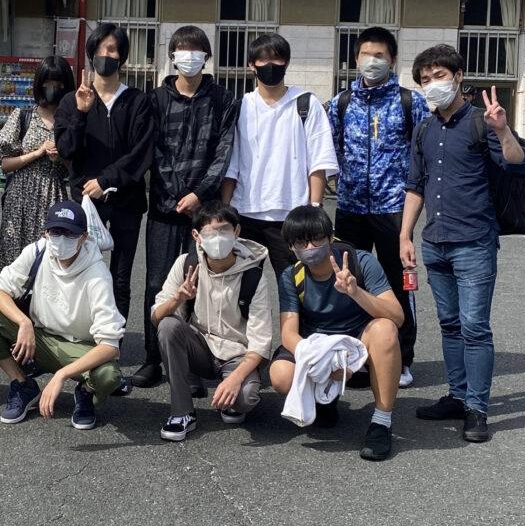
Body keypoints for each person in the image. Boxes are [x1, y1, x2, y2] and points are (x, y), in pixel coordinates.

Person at [401, 45, 525, 444]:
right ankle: (457, 396)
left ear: (458, 77)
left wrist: (502, 129)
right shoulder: (424, 129)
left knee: (475, 328)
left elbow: (517, 163)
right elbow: (415, 186)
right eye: (425, 80)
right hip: (435, 242)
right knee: (450, 325)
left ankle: (477, 407)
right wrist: (405, 234)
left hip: (474, 241)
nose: (432, 85)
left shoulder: (480, 122)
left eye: (439, 76)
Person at [133, 25, 238, 389]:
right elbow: (154, 149)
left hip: (205, 212)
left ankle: (192, 362)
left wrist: (198, 193)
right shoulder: (156, 99)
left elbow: (223, 151)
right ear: (172, 56)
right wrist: (179, 191)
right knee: (157, 282)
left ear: (206, 58)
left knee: (201, 283)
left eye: (196, 51)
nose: (188, 57)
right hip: (164, 208)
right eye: (182, 50)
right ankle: (153, 358)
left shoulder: (223, 99)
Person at [327, 27, 430, 389]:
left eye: (380, 56)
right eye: (366, 55)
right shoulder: (340, 103)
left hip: (393, 208)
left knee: (398, 284)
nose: (373, 62)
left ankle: (401, 358)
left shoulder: (410, 102)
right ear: (356, 59)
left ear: (392, 60)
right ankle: (356, 357)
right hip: (350, 208)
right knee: (348, 283)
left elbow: (422, 154)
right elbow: (329, 150)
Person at [0, 200, 126, 430]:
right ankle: (22, 384)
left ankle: (85, 393)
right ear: (45, 232)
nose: (61, 239)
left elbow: (110, 346)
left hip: (80, 347)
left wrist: (61, 375)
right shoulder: (37, 252)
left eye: (70, 233)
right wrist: (24, 322)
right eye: (55, 232)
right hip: (40, 338)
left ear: (84, 237)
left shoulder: (97, 274)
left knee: (108, 375)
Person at [270, 205, 404, 461]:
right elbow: (288, 333)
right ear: (291, 247)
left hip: (358, 342)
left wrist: (355, 292)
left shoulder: (361, 261)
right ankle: (323, 401)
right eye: (301, 242)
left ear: (331, 237)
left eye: (317, 239)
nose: (310, 247)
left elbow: (397, 316)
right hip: (318, 344)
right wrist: (324, 365)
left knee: (385, 330)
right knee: (280, 376)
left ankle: (381, 421)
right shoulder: (291, 275)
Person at [53, 23, 154, 362]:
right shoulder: (72, 101)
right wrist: (81, 114)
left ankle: (113, 348)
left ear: (122, 56)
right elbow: (66, 149)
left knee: (120, 278)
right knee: (83, 272)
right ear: (90, 54)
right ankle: (83, 342)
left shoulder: (137, 101)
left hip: (126, 202)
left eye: (113, 50)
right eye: (100, 49)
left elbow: (141, 153)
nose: (106, 55)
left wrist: (106, 180)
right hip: (85, 204)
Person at [221, 32, 339, 284]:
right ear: (251, 65)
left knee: (296, 287)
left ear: (287, 63)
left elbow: (318, 161)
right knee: (242, 288)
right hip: (246, 212)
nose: (271, 65)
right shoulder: (242, 106)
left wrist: (314, 208)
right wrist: (226, 210)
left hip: (292, 215)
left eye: (277, 59)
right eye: (263, 60)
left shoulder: (305, 103)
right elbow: (231, 164)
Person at [152, 201, 270, 442]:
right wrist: (178, 299)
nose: (217, 238)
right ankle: (182, 413)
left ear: (237, 231)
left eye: (224, 230)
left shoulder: (253, 276)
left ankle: (231, 398)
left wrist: (235, 380)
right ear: (196, 236)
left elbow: (260, 342)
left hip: (236, 354)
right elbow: (156, 316)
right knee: (167, 325)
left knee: (245, 399)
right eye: (209, 232)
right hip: (201, 348)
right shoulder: (186, 264)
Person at [0, 55, 75, 271]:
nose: (52, 87)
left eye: (58, 83)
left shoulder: (72, 121)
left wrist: (61, 157)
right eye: (47, 82)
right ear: (39, 84)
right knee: (14, 258)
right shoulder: (23, 116)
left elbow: (78, 168)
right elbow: (6, 164)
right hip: (20, 196)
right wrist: (38, 153)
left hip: (54, 195)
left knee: (50, 259)